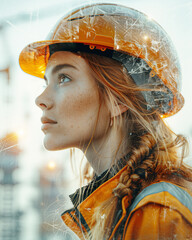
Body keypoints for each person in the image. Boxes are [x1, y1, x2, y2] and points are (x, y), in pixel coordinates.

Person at [19, 3, 192, 240]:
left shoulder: (157, 212)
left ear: (118, 98)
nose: (41, 99)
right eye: (45, 82)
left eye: (64, 78)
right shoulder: (132, 207)